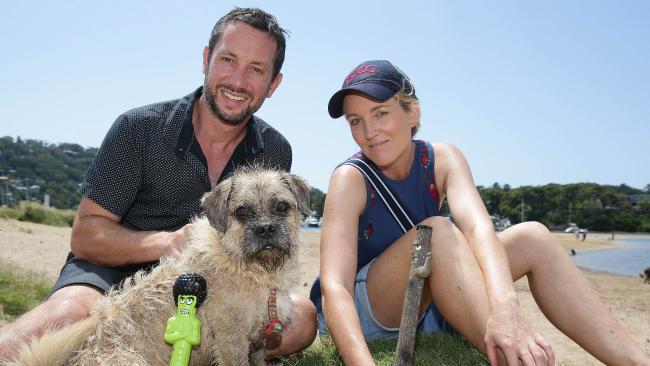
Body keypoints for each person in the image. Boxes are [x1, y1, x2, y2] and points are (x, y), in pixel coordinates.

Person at [0, 7, 316, 361]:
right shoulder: (138, 128)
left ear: (273, 83)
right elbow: (86, 236)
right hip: (116, 276)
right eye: (228, 59)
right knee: (69, 314)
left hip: (220, 286)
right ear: (206, 58)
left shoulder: (274, 149)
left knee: (300, 319)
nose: (238, 80)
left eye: (256, 69)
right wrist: (166, 242)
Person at [313, 60, 650, 365]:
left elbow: (478, 229)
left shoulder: (442, 159)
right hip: (371, 313)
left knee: (532, 235)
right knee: (438, 232)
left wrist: (506, 309)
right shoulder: (350, 178)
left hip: (430, 303)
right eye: (355, 121)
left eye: (380, 113)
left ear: (412, 113)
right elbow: (334, 285)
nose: (368, 132)